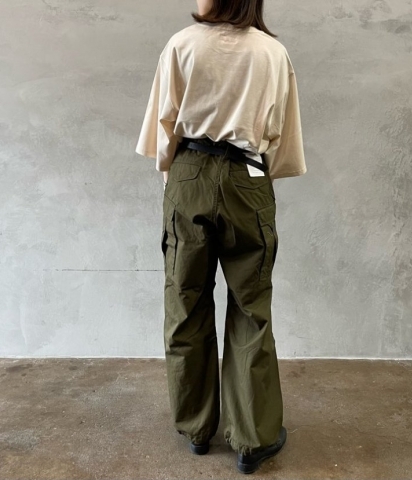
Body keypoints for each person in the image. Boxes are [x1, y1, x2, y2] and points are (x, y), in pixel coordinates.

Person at [135, 0, 307, 474]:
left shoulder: (181, 45)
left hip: (188, 173)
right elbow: (283, 144)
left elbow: (162, 133)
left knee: (185, 301)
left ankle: (196, 428)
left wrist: (178, 181)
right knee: (251, 308)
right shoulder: (272, 53)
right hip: (247, 176)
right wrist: (254, 184)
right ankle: (253, 439)